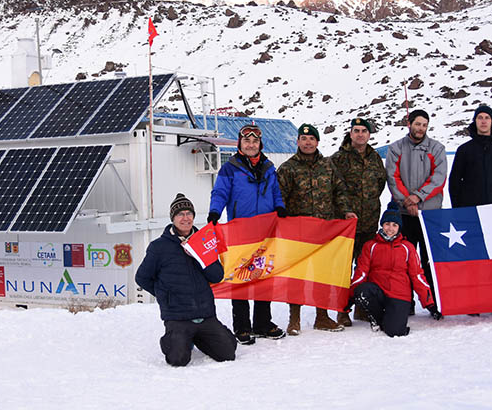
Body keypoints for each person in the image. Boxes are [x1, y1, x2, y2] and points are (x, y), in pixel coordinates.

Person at [135, 194, 237, 367]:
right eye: (180, 214)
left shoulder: (203, 241)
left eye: (189, 213)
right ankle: (173, 339)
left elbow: (217, 276)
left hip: (205, 314)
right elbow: (142, 278)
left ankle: (198, 337)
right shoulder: (159, 247)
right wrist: (165, 295)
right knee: (178, 359)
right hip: (178, 316)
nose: (185, 218)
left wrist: (197, 256)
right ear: (173, 218)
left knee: (228, 352)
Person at [208, 123, 287, 345]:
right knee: (240, 277)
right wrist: (215, 211)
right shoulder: (230, 168)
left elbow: (275, 192)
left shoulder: (269, 167)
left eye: (254, 142)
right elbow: (220, 192)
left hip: (266, 231)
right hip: (240, 232)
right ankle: (242, 327)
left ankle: (262, 323)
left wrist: (280, 207)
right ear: (240, 144)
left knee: (264, 275)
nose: (251, 145)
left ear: (259, 144)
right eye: (247, 141)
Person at [277, 123, 356, 335]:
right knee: (297, 276)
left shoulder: (328, 166)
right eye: (304, 139)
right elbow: (279, 197)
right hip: (298, 234)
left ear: (317, 142)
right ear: (297, 142)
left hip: (324, 231)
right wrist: (280, 216)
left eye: (311, 139)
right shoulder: (287, 168)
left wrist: (346, 210)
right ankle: (294, 319)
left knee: (323, 274)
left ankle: (322, 316)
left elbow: (339, 190)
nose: (308, 142)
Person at [448, 105, 492, 317]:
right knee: (475, 259)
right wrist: (460, 210)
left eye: (487, 117)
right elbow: (454, 182)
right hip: (472, 213)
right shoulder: (465, 150)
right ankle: (475, 301)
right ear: (475, 122)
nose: (484, 121)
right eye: (480, 118)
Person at [350, 202, 442, 337]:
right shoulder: (371, 246)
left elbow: (417, 276)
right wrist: (349, 298)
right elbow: (361, 273)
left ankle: (391, 318)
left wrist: (430, 304)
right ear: (382, 225)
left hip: (399, 295)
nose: (390, 228)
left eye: (394, 225)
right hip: (379, 293)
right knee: (363, 291)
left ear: (399, 228)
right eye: (387, 224)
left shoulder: (407, 247)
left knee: (394, 331)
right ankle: (377, 318)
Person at [384, 109, 447, 306]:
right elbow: (393, 178)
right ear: (409, 123)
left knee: (429, 260)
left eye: (424, 125)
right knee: (404, 261)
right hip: (404, 214)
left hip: (430, 214)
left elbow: (439, 178)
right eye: (417, 124)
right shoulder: (396, 148)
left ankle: (433, 300)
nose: (420, 128)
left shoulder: (436, 148)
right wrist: (407, 201)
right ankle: (406, 301)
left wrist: (417, 198)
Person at [331, 117, 386, 326]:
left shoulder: (375, 158)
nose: (360, 134)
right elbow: (333, 188)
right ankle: (342, 309)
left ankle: (362, 307)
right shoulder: (339, 158)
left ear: (369, 134)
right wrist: (345, 209)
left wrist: (368, 203)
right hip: (346, 224)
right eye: (356, 130)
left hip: (370, 221)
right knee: (344, 269)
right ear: (350, 133)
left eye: (364, 130)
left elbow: (380, 183)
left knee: (365, 267)